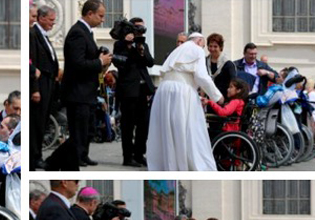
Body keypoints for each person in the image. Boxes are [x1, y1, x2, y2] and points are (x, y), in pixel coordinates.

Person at [146, 32, 224, 171]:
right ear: (199, 41)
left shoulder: (177, 51)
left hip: (164, 89)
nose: (204, 48)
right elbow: (201, 76)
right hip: (181, 91)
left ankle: (168, 164)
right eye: (204, 45)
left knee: (167, 128)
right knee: (187, 128)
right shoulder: (197, 49)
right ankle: (186, 164)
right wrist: (217, 96)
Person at [61, 0, 111, 167]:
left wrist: (101, 57)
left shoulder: (87, 32)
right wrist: (99, 61)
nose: (102, 20)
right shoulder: (77, 32)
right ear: (89, 14)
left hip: (87, 91)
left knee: (88, 128)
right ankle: (76, 156)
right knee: (79, 129)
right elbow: (78, 64)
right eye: (100, 16)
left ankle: (83, 154)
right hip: (78, 91)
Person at [112, 16, 155, 167]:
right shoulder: (120, 44)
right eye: (137, 28)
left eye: (142, 29)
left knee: (143, 125)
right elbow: (119, 63)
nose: (140, 31)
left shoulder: (143, 44)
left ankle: (139, 154)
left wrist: (141, 50)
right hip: (128, 90)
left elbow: (150, 62)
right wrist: (127, 44)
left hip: (143, 90)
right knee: (128, 125)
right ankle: (128, 156)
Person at [30, 5, 59, 170]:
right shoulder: (33, 34)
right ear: (41, 18)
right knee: (37, 123)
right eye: (51, 20)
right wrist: (35, 89)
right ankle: (35, 157)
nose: (53, 24)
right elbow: (32, 63)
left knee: (43, 122)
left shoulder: (44, 35)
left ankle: (38, 154)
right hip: (39, 85)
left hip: (48, 82)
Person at [205, 33, 237, 99]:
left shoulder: (228, 64)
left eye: (215, 46)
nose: (212, 49)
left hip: (223, 98)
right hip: (208, 99)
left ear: (221, 47)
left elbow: (233, 82)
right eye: (210, 46)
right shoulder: (204, 62)